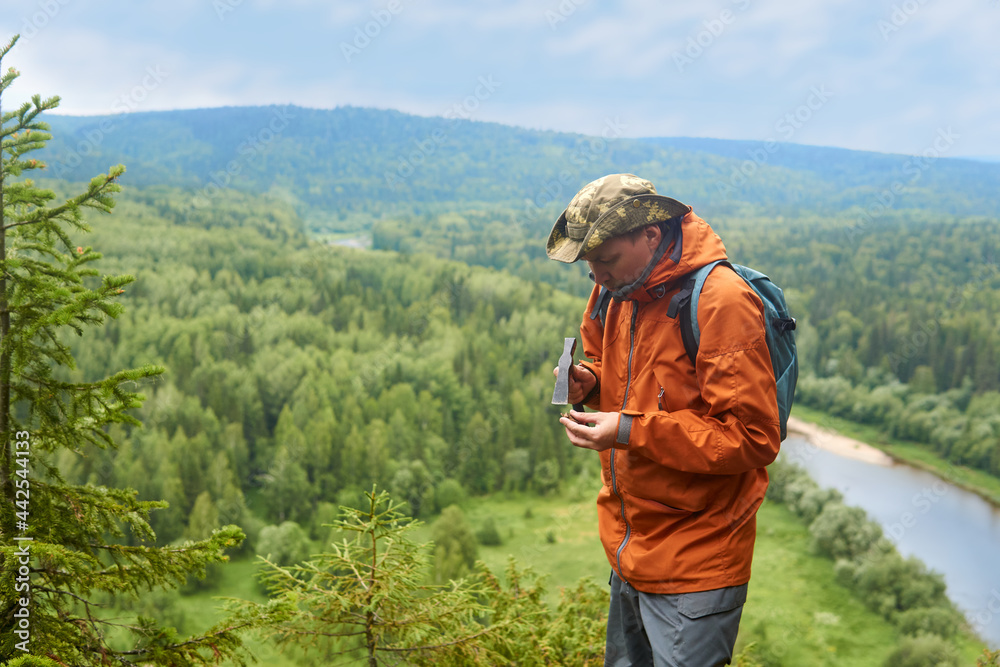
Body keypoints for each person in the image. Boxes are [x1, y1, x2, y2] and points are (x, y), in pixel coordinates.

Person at [547, 173, 781, 667]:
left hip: (697, 562)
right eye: (588, 264)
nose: (596, 275)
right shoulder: (615, 292)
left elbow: (751, 438)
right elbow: (626, 378)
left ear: (650, 234)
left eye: (605, 259)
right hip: (628, 552)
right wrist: (588, 382)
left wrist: (627, 430)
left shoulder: (721, 301)